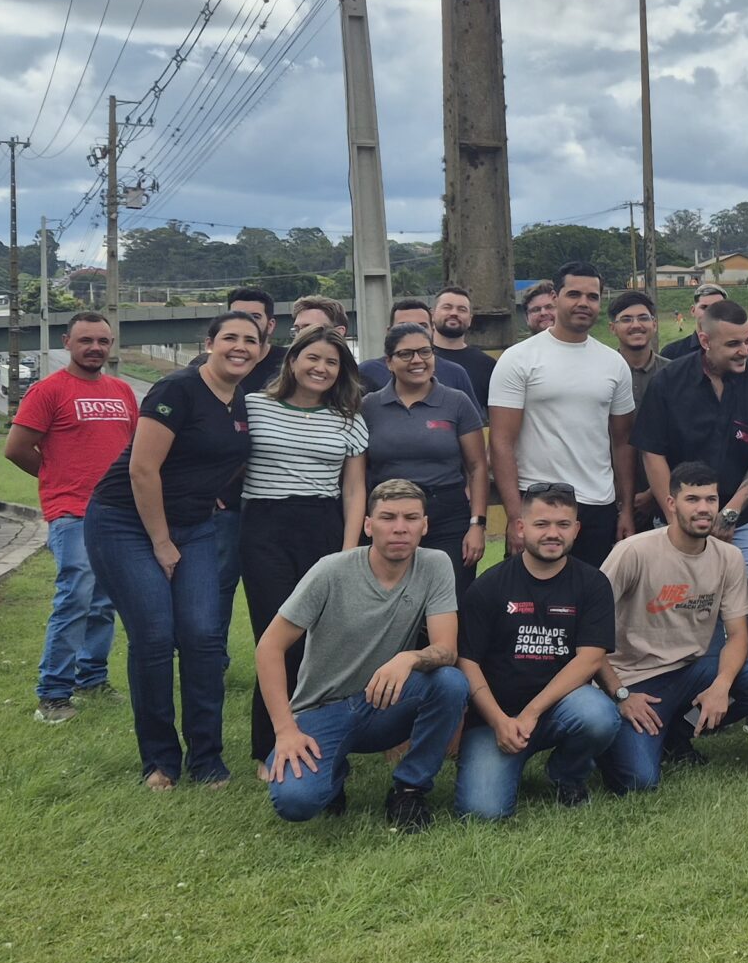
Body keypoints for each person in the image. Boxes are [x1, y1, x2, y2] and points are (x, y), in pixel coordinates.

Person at [85, 310, 263, 789]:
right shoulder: (176, 390)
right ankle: (161, 760)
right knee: (155, 637)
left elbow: (232, 458)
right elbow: (143, 470)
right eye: (230, 337)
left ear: (262, 350)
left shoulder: (243, 401)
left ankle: (207, 757)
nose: (240, 346)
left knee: (204, 638)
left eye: (251, 339)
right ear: (208, 343)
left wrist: (216, 494)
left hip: (198, 525)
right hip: (125, 523)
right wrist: (162, 543)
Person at [256, 480, 469, 831]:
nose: (400, 527)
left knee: (449, 682)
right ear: (368, 525)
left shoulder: (435, 565)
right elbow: (269, 647)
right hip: (322, 708)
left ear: (425, 525)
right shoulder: (331, 570)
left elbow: (446, 649)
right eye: (388, 517)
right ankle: (333, 774)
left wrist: (409, 658)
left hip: (383, 703)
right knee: (296, 802)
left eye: (410, 518)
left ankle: (409, 789)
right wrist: (284, 730)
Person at [595, 462, 748, 791]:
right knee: (638, 781)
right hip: (633, 680)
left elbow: (738, 635)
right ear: (671, 503)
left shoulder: (728, 558)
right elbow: (588, 630)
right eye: (692, 499)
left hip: (688, 673)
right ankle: (615, 736)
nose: (703, 509)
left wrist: (721, 686)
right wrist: (621, 694)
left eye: (710, 500)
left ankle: (679, 732)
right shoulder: (633, 552)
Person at [238, 324, 371, 771]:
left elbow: (354, 491)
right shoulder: (255, 406)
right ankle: (268, 743)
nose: (321, 368)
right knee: (276, 635)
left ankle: (321, 735)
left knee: (324, 639)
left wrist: (348, 550)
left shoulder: (348, 417)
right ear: (292, 361)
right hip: (265, 529)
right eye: (313, 358)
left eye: (332, 362)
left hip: (324, 527)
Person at [453, 489, 622, 818]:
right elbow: (467, 661)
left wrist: (531, 713)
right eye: (541, 523)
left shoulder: (593, 584)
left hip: (561, 710)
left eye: (563, 524)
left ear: (576, 529)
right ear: (520, 528)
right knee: (482, 813)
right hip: (495, 719)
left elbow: (589, 659)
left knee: (599, 715)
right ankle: (502, 760)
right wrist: (500, 720)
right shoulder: (489, 586)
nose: (552, 534)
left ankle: (567, 774)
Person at [4, 311, 138, 723]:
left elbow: (135, 451)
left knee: (104, 602)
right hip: (71, 512)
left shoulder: (122, 392)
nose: (95, 348)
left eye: (102, 341)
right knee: (76, 596)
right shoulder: (48, 391)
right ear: (67, 342)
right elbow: (16, 448)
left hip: (117, 514)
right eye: (86, 340)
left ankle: (92, 678)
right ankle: (53, 694)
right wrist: (56, 477)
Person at [488, 260, 638, 567]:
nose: (584, 303)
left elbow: (623, 442)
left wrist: (625, 510)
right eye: (574, 294)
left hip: (598, 505)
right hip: (538, 505)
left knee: (592, 602)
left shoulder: (614, 363)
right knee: (529, 606)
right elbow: (501, 443)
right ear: (556, 298)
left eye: (592, 297)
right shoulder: (518, 359)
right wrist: (516, 517)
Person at [634, 298, 748, 562]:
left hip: (744, 517)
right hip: (678, 514)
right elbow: (652, 453)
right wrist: (676, 518)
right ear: (705, 341)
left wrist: (731, 512)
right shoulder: (668, 382)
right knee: (676, 598)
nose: (745, 351)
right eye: (733, 344)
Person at [360, 322, 489, 604]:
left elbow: (478, 466)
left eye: (424, 352)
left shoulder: (457, 402)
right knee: (388, 600)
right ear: (389, 362)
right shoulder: (369, 406)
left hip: (447, 514)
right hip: (390, 515)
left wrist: (477, 524)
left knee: (449, 601)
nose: (417, 360)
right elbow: (359, 473)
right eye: (405, 354)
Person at [607, 289, 668, 527]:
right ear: (612, 327)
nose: (636, 325)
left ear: (654, 324)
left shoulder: (673, 375)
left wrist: (654, 493)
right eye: (626, 319)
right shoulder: (600, 372)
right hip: (605, 496)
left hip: (663, 496)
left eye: (643, 318)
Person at [355, 298, 476, 394]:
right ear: (389, 332)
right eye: (404, 326)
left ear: (433, 330)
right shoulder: (366, 372)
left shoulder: (455, 374)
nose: (413, 332)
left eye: (422, 326)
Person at [189, 286, 287, 389]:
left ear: (270, 325)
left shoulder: (289, 363)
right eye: (236, 315)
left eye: (255, 316)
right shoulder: (200, 367)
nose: (245, 321)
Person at [430, 285, 497, 403]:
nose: (454, 313)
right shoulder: (419, 358)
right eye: (447, 307)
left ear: (470, 319)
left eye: (462, 309)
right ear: (432, 315)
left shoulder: (486, 365)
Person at [662, 284, 730, 360]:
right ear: (693, 310)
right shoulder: (671, 353)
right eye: (704, 307)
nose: (710, 313)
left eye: (717, 308)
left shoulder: (737, 352)